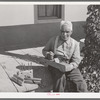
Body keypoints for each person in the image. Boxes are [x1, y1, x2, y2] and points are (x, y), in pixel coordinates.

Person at [42, 20, 87, 92]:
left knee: (82, 84)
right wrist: (48, 54)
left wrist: (70, 66)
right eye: (62, 32)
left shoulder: (75, 44)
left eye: (67, 32)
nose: (64, 34)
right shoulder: (53, 40)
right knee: (60, 79)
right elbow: (44, 50)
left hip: (69, 66)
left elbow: (76, 61)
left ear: (71, 32)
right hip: (55, 65)